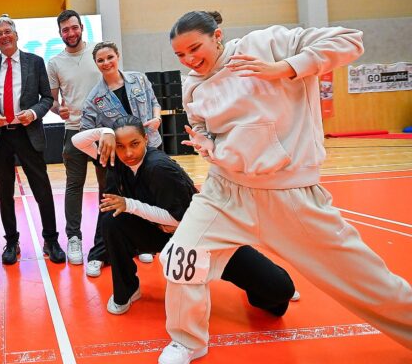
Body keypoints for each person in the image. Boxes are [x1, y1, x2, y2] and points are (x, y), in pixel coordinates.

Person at [158, 10, 412, 364]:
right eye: (180, 55)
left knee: (367, 281)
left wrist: (286, 68)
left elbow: (349, 40)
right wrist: (205, 142)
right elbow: (202, 125)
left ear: (218, 35)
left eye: (194, 48)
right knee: (181, 257)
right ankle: (186, 339)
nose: (189, 59)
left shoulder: (266, 44)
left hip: (289, 193)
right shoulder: (193, 84)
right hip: (225, 191)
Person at [72, 116, 298, 316]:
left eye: (134, 144)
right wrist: (105, 132)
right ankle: (127, 291)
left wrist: (129, 204)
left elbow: (180, 220)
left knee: (279, 292)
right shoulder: (114, 158)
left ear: (146, 140)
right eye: (120, 146)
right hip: (164, 235)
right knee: (113, 222)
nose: (128, 153)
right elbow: (77, 141)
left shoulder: (158, 168)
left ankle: (271, 279)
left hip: (202, 236)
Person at [0, 15, 65, 265]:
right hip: (0, 137)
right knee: (5, 194)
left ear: (16, 35)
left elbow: (47, 99)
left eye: (8, 31)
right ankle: (11, 241)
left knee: (42, 190)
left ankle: (51, 240)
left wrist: (34, 112)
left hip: (29, 135)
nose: (4, 36)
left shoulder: (35, 62)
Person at [79, 41, 162, 277]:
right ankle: (98, 254)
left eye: (109, 57)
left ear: (118, 56)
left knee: (146, 200)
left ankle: (144, 245)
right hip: (121, 157)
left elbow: (154, 103)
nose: (106, 63)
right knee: (110, 203)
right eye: (101, 60)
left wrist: (156, 119)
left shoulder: (139, 80)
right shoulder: (95, 98)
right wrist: (104, 145)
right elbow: (86, 130)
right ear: (96, 64)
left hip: (150, 148)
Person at [46, 10, 105, 266]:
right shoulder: (55, 63)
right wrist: (59, 110)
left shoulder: (98, 52)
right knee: (74, 186)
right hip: (74, 131)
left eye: (73, 28)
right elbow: (52, 101)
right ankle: (74, 238)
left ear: (82, 27)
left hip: (104, 132)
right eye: (65, 30)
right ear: (60, 34)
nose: (70, 33)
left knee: (109, 186)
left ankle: (107, 238)